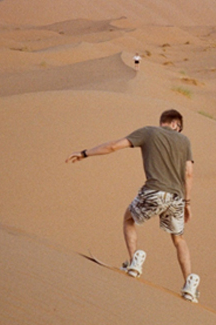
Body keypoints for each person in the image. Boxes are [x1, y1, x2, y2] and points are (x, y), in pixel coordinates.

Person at [66, 109, 200, 302]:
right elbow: (189, 173)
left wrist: (85, 153)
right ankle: (189, 283)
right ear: (175, 124)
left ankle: (134, 262)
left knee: (129, 219)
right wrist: (187, 203)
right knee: (179, 239)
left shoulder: (148, 132)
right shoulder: (185, 141)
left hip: (154, 191)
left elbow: (113, 146)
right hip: (176, 198)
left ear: (165, 122)